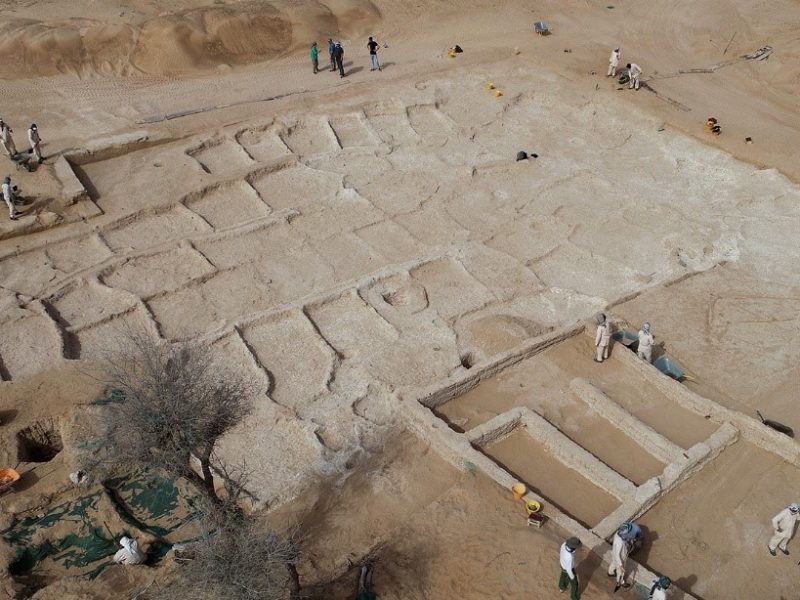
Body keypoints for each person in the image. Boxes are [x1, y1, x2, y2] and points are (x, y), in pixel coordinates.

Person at [608, 523, 631, 589]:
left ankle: (610, 572)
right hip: (620, 558)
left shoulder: (617, 533)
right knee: (620, 572)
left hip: (614, 553)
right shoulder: (620, 542)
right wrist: (621, 565)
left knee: (613, 563)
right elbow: (618, 555)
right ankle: (620, 582)